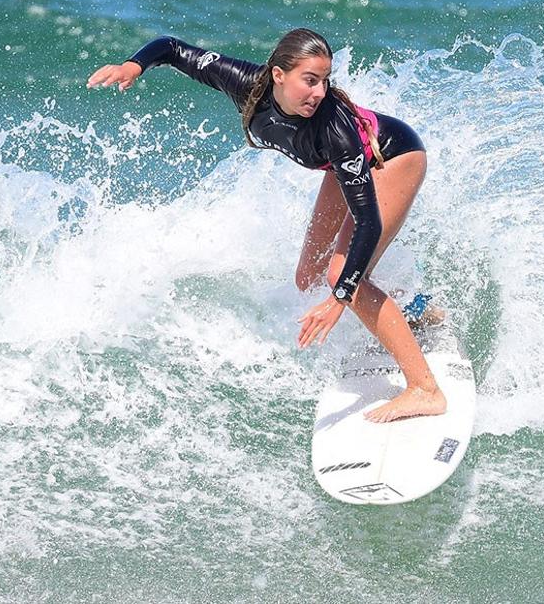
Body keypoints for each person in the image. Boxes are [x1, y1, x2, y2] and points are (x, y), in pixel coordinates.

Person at [86, 29, 445, 423]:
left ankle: (424, 390)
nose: (320, 92)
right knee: (307, 277)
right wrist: (133, 65)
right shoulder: (247, 85)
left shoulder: (335, 130)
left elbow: (369, 225)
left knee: (343, 277)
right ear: (278, 75)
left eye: (325, 81)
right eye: (310, 80)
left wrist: (339, 299)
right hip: (342, 168)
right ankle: (412, 309)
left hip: (392, 158)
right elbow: (173, 49)